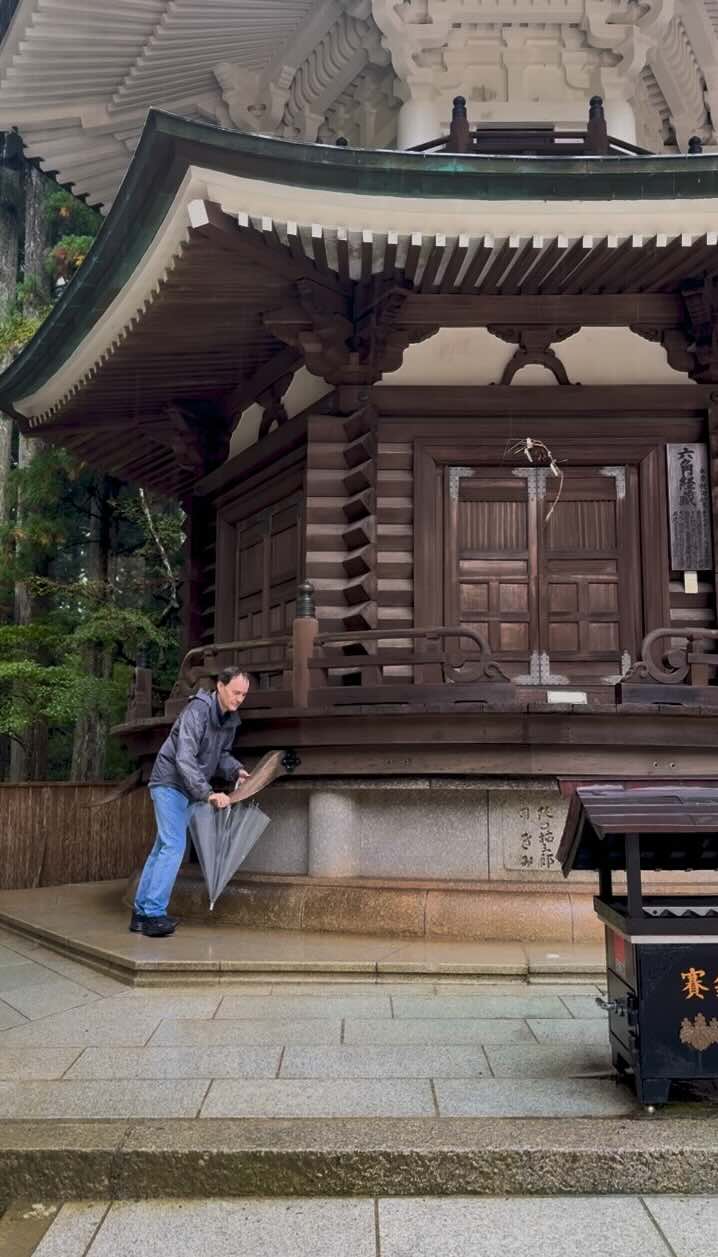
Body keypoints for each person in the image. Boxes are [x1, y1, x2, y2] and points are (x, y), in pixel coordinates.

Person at [130, 667, 251, 937]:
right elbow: (185, 757)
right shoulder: (197, 711)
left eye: (243, 694)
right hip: (170, 782)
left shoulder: (230, 719)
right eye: (235, 692)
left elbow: (222, 755)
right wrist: (207, 793)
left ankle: (140, 913)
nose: (239, 699)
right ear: (220, 686)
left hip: (187, 789)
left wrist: (235, 770)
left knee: (162, 846)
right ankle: (153, 914)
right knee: (174, 845)